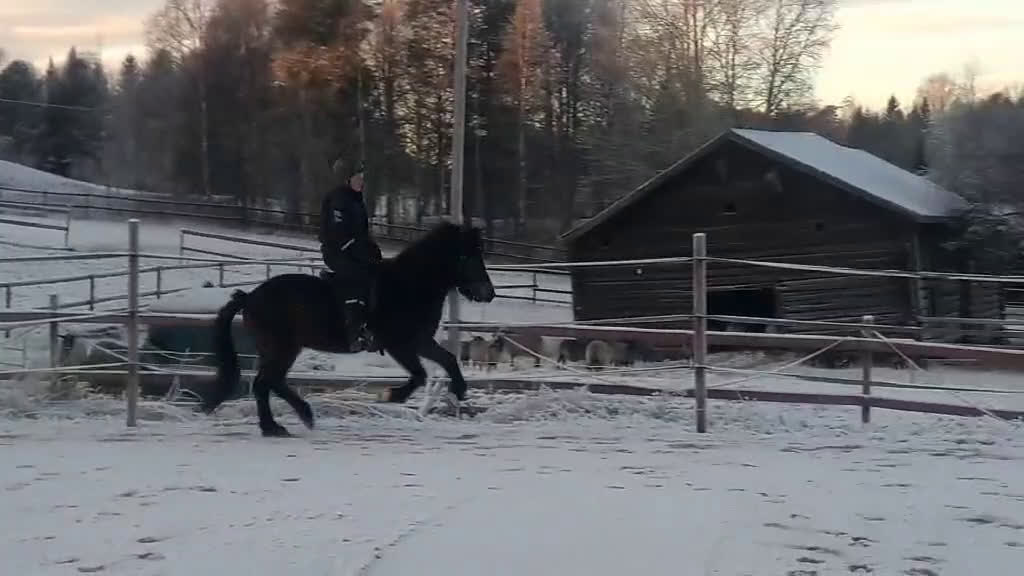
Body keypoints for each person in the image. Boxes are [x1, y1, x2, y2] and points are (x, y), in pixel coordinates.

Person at [318, 158, 383, 352]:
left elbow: (361, 232)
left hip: (354, 250)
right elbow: (339, 232)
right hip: (337, 251)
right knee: (358, 277)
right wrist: (359, 249)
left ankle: (372, 326)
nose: (362, 181)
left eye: (362, 177)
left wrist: (372, 249)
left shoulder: (356, 200)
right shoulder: (338, 199)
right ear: (346, 179)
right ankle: (351, 331)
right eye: (358, 177)